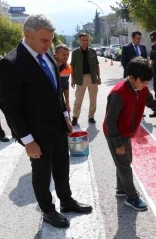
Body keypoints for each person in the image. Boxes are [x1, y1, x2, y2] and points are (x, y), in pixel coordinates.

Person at [0, 14, 92, 229]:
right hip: (36, 133)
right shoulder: (11, 63)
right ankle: (48, 211)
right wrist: (27, 140)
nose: (49, 44)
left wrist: (65, 117)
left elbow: (56, 90)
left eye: (50, 40)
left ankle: (67, 201)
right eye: (44, 40)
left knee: (62, 166)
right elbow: (10, 108)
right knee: (42, 174)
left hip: (58, 126)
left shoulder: (48, 54)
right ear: (27, 35)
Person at [103, 57, 156, 211]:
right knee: (124, 165)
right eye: (143, 82)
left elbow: (154, 104)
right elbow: (110, 121)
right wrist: (117, 143)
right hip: (115, 133)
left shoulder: (141, 89)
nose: (145, 85)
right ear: (131, 78)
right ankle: (132, 197)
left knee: (124, 161)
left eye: (148, 82)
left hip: (127, 132)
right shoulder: (118, 93)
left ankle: (121, 189)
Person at [71, 32, 101, 126]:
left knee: (93, 99)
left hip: (92, 78)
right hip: (81, 79)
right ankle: (75, 117)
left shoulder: (93, 51)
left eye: (86, 40)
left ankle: (91, 116)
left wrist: (98, 77)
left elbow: (96, 65)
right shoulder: (75, 53)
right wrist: (73, 79)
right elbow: (72, 66)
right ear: (79, 41)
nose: (85, 42)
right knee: (78, 99)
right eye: (83, 40)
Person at [55, 44, 72, 113]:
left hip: (59, 99)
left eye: (67, 54)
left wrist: (67, 103)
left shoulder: (68, 67)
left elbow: (65, 86)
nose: (66, 57)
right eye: (63, 55)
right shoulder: (47, 64)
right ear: (56, 54)